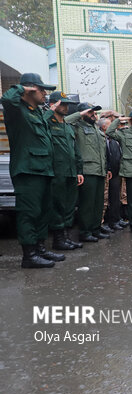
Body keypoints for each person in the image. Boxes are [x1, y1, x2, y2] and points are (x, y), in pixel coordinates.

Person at [1, 73, 66, 268]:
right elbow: (6, 98)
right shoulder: (16, 110)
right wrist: (23, 88)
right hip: (28, 170)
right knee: (29, 212)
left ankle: (39, 248)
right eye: (42, 90)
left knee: (43, 212)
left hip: (44, 170)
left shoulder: (36, 111)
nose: (45, 94)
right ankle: (29, 255)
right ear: (31, 90)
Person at [44, 91, 84, 251]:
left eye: (67, 104)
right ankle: (58, 239)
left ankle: (66, 237)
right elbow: (40, 121)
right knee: (57, 205)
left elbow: (76, 151)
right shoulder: (47, 122)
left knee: (68, 205)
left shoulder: (67, 127)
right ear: (54, 104)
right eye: (63, 104)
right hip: (57, 171)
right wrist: (50, 110)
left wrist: (79, 170)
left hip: (71, 172)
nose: (66, 107)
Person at [66, 102, 111, 242]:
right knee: (87, 204)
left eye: (95, 112)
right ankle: (85, 232)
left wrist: (107, 168)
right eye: (90, 112)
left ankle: (95, 229)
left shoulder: (97, 130)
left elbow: (103, 152)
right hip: (87, 170)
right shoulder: (77, 127)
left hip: (100, 170)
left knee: (98, 203)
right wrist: (80, 114)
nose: (94, 115)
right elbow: (66, 121)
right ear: (83, 113)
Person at [100, 117, 124, 230]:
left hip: (117, 172)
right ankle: (105, 222)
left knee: (116, 198)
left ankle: (116, 219)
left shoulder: (114, 140)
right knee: (105, 199)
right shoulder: (102, 139)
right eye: (111, 124)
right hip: (106, 172)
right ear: (104, 127)